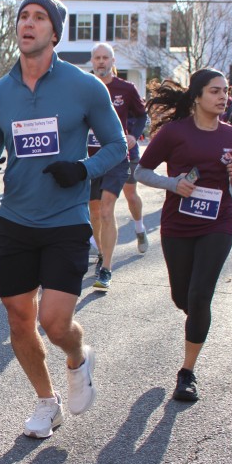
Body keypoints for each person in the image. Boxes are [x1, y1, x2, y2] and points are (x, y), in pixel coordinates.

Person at [0, 0, 126, 438]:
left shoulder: (85, 87)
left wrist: (83, 169)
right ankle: (46, 402)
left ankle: (77, 358)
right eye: (24, 16)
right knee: (19, 319)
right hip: (15, 219)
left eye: (40, 17)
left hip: (66, 218)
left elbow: (117, 145)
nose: (29, 23)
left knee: (55, 323)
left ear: (54, 32)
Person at [133, 70, 232, 401]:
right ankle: (197, 318)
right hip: (178, 225)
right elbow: (140, 171)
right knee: (182, 298)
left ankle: (187, 373)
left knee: (200, 296)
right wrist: (173, 184)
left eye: (226, 91)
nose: (223, 97)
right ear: (197, 96)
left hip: (218, 223)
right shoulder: (174, 133)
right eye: (215, 91)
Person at [87, 43, 148, 289]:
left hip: (118, 156)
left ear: (113, 61)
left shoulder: (126, 89)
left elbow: (142, 115)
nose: (101, 62)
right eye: (97, 58)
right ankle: (101, 253)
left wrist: (133, 134)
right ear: (92, 61)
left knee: (111, 207)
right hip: (91, 158)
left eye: (105, 58)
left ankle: (107, 267)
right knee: (94, 211)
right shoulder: (84, 86)